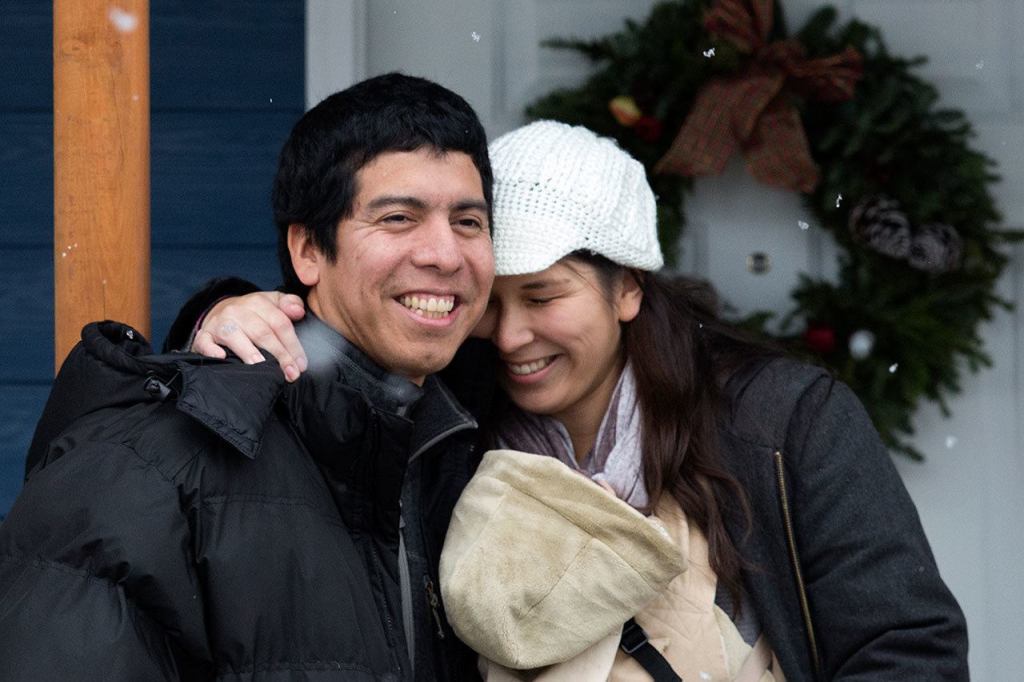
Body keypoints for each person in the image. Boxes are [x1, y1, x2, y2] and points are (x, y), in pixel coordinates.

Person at [181, 122, 969, 680]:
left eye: (545, 297)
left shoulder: (777, 420)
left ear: (626, 288)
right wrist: (222, 313)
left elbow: (905, 645)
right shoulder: (447, 424)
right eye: (493, 300)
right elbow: (329, 372)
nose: (512, 334)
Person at [0, 73, 496, 681]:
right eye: (398, 217)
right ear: (308, 250)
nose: (445, 254)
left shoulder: (472, 461)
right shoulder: (145, 468)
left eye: (469, 223)